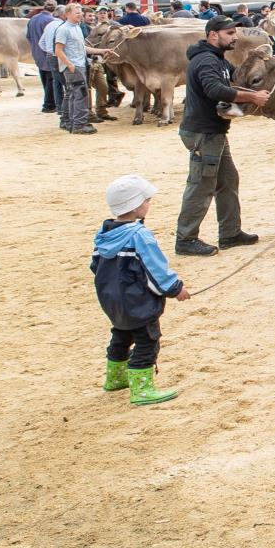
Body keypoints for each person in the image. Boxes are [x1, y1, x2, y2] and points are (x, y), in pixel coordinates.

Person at [92, 174, 191, 407]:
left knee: (121, 334)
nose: (149, 203)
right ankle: (142, 389)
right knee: (147, 340)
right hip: (138, 302)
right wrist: (175, 288)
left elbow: (95, 266)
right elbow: (155, 268)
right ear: (136, 206)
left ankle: (115, 378)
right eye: (146, 200)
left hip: (112, 301)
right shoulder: (140, 236)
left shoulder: (104, 234)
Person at [176, 16, 270, 256]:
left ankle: (230, 233)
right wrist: (253, 97)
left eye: (234, 32)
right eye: (229, 33)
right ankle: (186, 239)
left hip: (214, 132)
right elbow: (215, 90)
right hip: (203, 133)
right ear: (213, 35)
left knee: (228, 180)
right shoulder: (206, 60)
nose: (234, 37)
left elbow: (237, 76)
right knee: (201, 185)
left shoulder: (218, 59)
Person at [45, 4, 96, 134]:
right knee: (80, 94)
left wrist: (101, 51)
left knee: (73, 94)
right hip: (74, 67)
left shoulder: (77, 27)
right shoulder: (64, 29)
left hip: (79, 65)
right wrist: (69, 64)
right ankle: (79, 125)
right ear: (67, 14)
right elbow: (58, 50)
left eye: (80, 12)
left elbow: (82, 48)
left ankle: (71, 122)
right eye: (77, 13)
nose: (80, 14)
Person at [27, 3, 60, 114]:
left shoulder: (33, 19)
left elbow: (28, 36)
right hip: (48, 52)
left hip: (37, 52)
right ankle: (49, 104)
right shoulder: (51, 21)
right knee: (51, 79)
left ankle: (48, 102)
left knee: (44, 78)